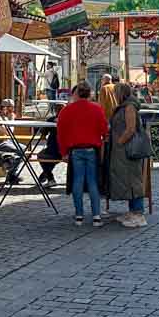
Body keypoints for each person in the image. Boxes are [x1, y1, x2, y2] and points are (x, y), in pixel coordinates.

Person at [57, 83, 108, 226]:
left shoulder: (67, 110)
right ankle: (96, 216)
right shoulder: (97, 109)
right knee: (92, 181)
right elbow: (104, 130)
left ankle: (79, 215)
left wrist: (63, 152)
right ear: (89, 94)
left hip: (75, 150)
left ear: (76, 94)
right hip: (92, 149)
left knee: (77, 181)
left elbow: (61, 134)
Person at [108, 83, 149, 229]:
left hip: (128, 149)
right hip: (123, 149)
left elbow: (130, 129)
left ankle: (138, 213)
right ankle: (132, 211)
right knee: (127, 180)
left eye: (115, 93)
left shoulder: (129, 107)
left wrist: (120, 142)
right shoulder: (125, 106)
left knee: (133, 180)